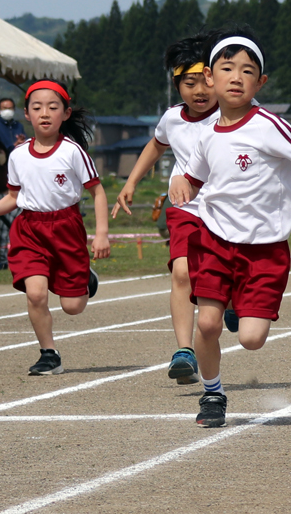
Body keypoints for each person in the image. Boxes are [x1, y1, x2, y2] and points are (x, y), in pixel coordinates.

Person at [170, 26, 291, 427]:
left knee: (251, 340)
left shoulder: (268, 125)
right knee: (209, 323)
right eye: (227, 69)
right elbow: (192, 176)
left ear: (260, 82)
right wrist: (181, 182)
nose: (237, 77)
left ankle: (238, 303)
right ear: (210, 79)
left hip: (265, 250)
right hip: (214, 241)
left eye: (248, 71)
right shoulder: (207, 134)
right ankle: (212, 394)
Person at [0, 79, 110, 375]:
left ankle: (86, 276)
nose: (45, 113)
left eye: (53, 107)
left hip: (66, 227)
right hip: (29, 229)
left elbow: (97, 192)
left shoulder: (72, 152)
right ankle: (49, 354)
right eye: (37, 107)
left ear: (66, 114)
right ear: (27, 114)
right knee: (36, 294)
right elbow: (14, 197)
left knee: (73, 306)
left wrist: (101, 235)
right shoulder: (18, 155)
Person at [112, 32, 217, 385]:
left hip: (228, 210)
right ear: (177, 84)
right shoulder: (172, 119)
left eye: (206, 81)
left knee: (221, 278)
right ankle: (184, 351)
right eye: (190, 83)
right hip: (185, 206)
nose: (199, 91)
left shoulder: (236, 116)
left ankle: (231, 305)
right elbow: (155, 147)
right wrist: (131, 183)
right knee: (182, 274)